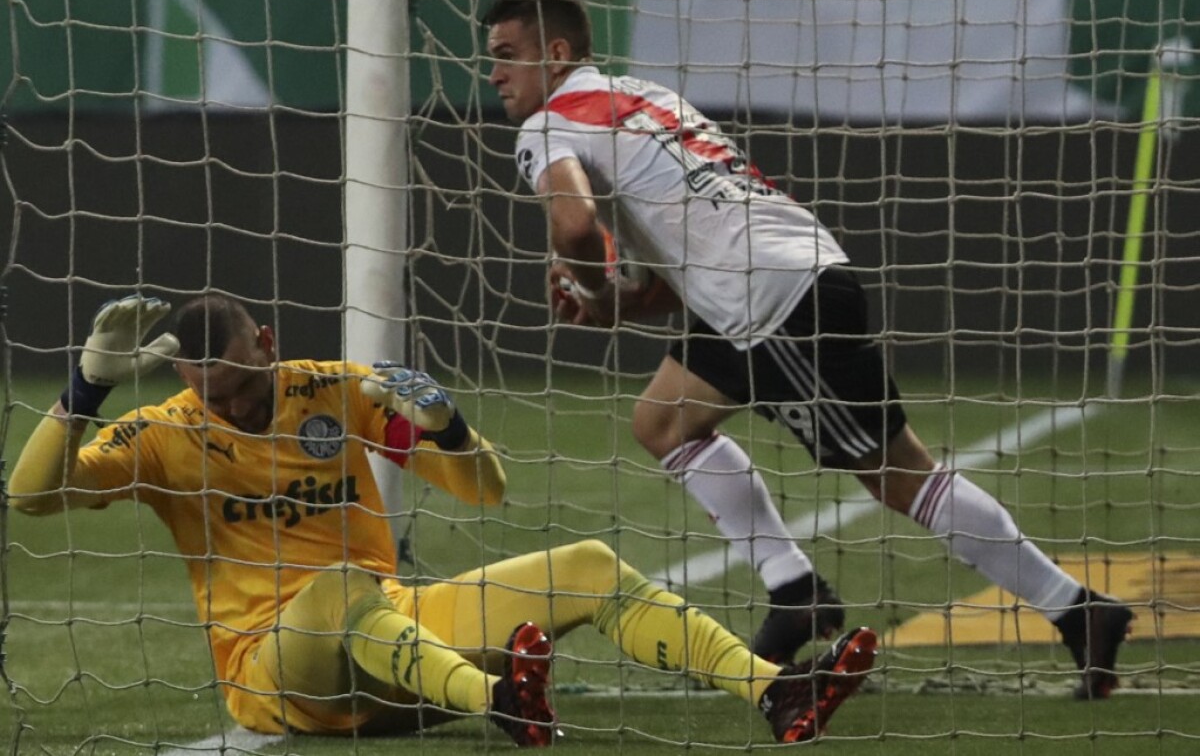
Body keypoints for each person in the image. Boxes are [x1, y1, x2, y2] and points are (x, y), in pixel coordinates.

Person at [481, 0, 1133, 700]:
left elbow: (574, 227)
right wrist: (624, 302)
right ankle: (796, 593)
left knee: (899, 476)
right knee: (662, 421)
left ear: (560, 53)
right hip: (782, 278)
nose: (496, 74)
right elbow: (680, 267)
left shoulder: (546, 129)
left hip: (776, 304)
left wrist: (597, 293)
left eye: (508, 55)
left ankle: (1078, 611)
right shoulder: (644, 97)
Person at [9, 294, 878, 745]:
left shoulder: (339, 392)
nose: (226, 405)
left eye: (237, 386)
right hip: (277, 676)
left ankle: (778, 692)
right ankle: (503, 698)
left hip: (394, 662)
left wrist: (447, 426)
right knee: (341, 586)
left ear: (265, 345)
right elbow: (30, 498)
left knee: (587, 564)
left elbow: (484, 487)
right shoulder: (163, 435)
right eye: (209, 392)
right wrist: (84, 390)